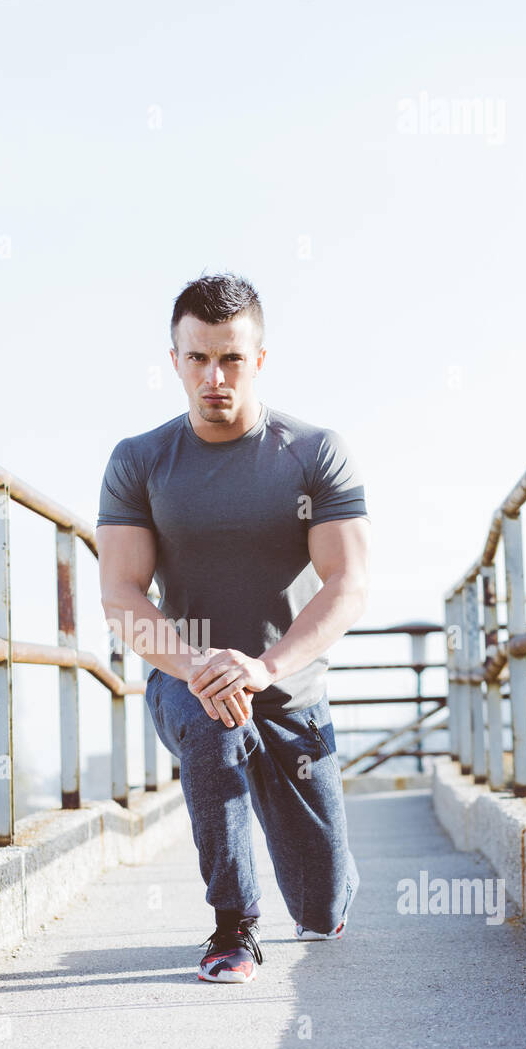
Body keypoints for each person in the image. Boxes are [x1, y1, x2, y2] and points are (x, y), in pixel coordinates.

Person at [96, 273, 371, 983]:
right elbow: (122, 593)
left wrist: (265, 667)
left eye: (231, 359)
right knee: (212, 720)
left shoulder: (314, 453)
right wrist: (197, 667)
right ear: (175, 359)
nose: (213, 376)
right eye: (197, 359)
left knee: (322, 909)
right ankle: (234, 928)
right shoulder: (140, 460)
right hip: (187, 678)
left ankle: (316, 883)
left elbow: (347, 584)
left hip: (290, 689)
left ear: (260, 360)